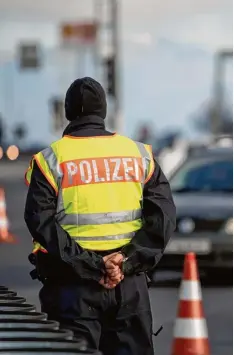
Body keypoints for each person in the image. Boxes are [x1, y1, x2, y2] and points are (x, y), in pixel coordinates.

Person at [24, 77, 176, 355]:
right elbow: (163, 216)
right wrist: (126, 262)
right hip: (128, 287)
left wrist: (93, 265)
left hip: (72, 289)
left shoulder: (50, 160)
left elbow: (40, 222)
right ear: (103, 112)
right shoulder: (139, 155)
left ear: (69, 113)